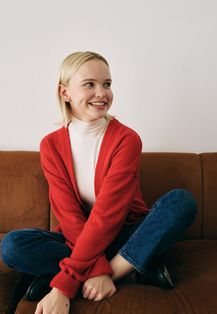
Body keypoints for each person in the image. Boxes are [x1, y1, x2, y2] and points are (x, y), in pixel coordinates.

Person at [0, 51, 197, 314]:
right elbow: (68, 214)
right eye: (89, 84)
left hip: (125, 230)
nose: (102, 93)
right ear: (65, 92)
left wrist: (64, 285)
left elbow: (108, 214)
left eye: (107, 84)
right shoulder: (51, 145)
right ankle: (131, 267)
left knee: (181, 202)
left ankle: (102, 275)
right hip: (78, 236)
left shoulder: (126, 139)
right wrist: (94, 265)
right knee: (12, 246)